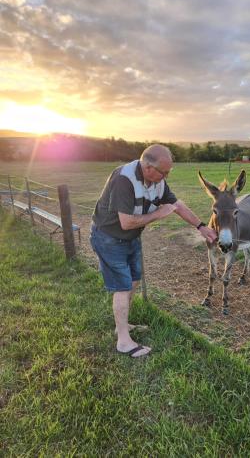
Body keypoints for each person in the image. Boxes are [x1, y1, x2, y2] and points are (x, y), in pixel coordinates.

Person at [90, 144, 217, 358]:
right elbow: (127, 222)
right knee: (122, 286)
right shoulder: (124, 179)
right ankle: (123, 342)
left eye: (169, 172)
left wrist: (201, 226)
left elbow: (178, 205)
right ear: (148, 167)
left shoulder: (158, 181)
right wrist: (159, 214)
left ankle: (122, 325)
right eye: (164, 172)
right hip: (109, 237)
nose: (166, 176)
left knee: (133, 281)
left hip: (130, 238)